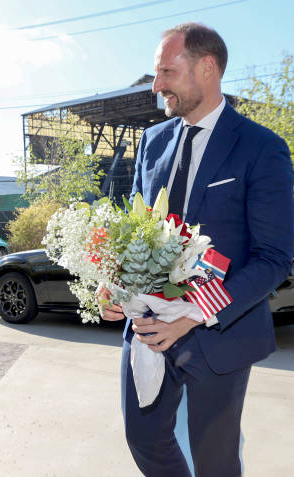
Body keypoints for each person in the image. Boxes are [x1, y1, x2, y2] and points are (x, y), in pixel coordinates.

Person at [102, 23, 294, 477]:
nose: (157, 85)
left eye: (168, 71)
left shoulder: (261, 148)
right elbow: (133, 230)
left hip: (219, 334)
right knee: (142, 437)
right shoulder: (151, 142)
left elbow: (274, 257)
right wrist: (111, 285)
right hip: (148, 326)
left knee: (215, 461)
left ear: (207, 68)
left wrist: (194, 313)